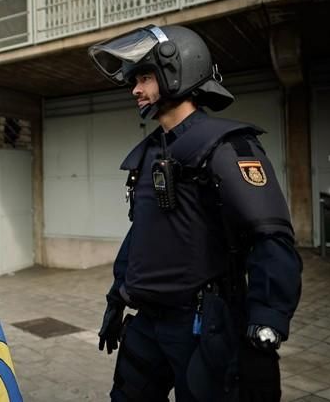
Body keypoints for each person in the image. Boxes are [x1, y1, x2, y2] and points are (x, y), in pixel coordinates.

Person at [89, 25, 302, 401]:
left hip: (201, 326)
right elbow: (143, 233)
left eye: (145, 77)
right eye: (134, 81)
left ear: (177, 70)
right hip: (148, 323)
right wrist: (116, 297)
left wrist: (268, 319)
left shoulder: (226, 146)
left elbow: (270, 233)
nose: (136, 90)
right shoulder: (149, 152)